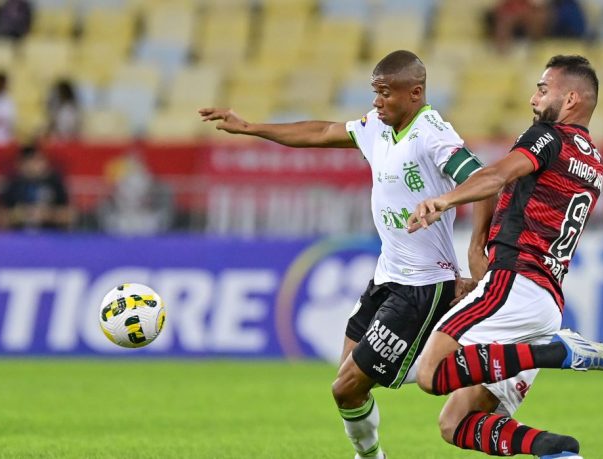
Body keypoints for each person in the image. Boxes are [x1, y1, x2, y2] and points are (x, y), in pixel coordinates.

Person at [200, 50, 487, 459]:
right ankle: (418, 371)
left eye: (385, 93)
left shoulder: (433, 134)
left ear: (415, 92)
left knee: (346, 386)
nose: (377, 101)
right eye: (375, 92)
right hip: (387, 276)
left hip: (422, 285)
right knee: (348, 389)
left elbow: (482, 180)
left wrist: (475, 245)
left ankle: (465, 362)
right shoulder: (378, 128)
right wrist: (250, 128)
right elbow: (320, 132)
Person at [406, 55, 603, 458]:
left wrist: (443, 200)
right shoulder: (593, 161)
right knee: (454, 423)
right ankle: (558, 451)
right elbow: (515, 199)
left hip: (514, 284)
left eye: (543, 90)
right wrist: (479, 248)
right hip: (543, 301)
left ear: (572, 98)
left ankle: (561, 352)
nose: (533, 99)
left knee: (431, 373)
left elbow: (495, 176)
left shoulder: (548, 137)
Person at [0, 144, 72, 231]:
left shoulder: (54, 182)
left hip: (50, 237)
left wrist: (46, 214)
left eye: (41, 160)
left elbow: (69, 216)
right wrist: (19, 215)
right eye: (35, 161)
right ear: (23, 163)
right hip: (18, 238)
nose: (40, 164)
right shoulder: (12, 183)